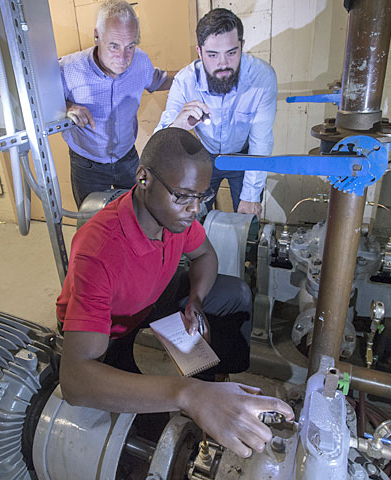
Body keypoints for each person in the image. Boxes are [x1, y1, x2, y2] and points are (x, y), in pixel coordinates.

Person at [57, 128, 293, 458]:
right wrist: (185, 394)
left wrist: (195, 301)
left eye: (202, 197)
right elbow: (75, 380)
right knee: (147, 430)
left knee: (235, 295)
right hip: (111, 328)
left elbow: (205, 255)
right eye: (183, 195)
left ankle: (214, 383)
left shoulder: (175, 216)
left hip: (153, 297)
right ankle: (196, 397)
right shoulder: (99, 251)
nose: (195, 209)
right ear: (143, 178)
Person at [155, 8, 277, 217]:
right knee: (193, 217)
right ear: (199, 52)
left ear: (242, 46)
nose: (223, 64)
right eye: (212, 55)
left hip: (246, 156)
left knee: (248, 222)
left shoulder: (262, 78)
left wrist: (251, 195)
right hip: (204, 156)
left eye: (231, 52)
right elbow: (159, 142)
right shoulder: (185, 81)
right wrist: (179, 126)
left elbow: (261, 141)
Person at [59, 0, 176, 207]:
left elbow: (159, 80)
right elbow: (39, 101)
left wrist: (198, 73)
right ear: (97, 36)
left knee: (141, 211)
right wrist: (67, 107)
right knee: (92, 224)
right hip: (87, 165)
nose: (123, 58)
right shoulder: (69, 69)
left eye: (130, 46)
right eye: (114, 46)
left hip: (128, 160)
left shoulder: (140, 62)